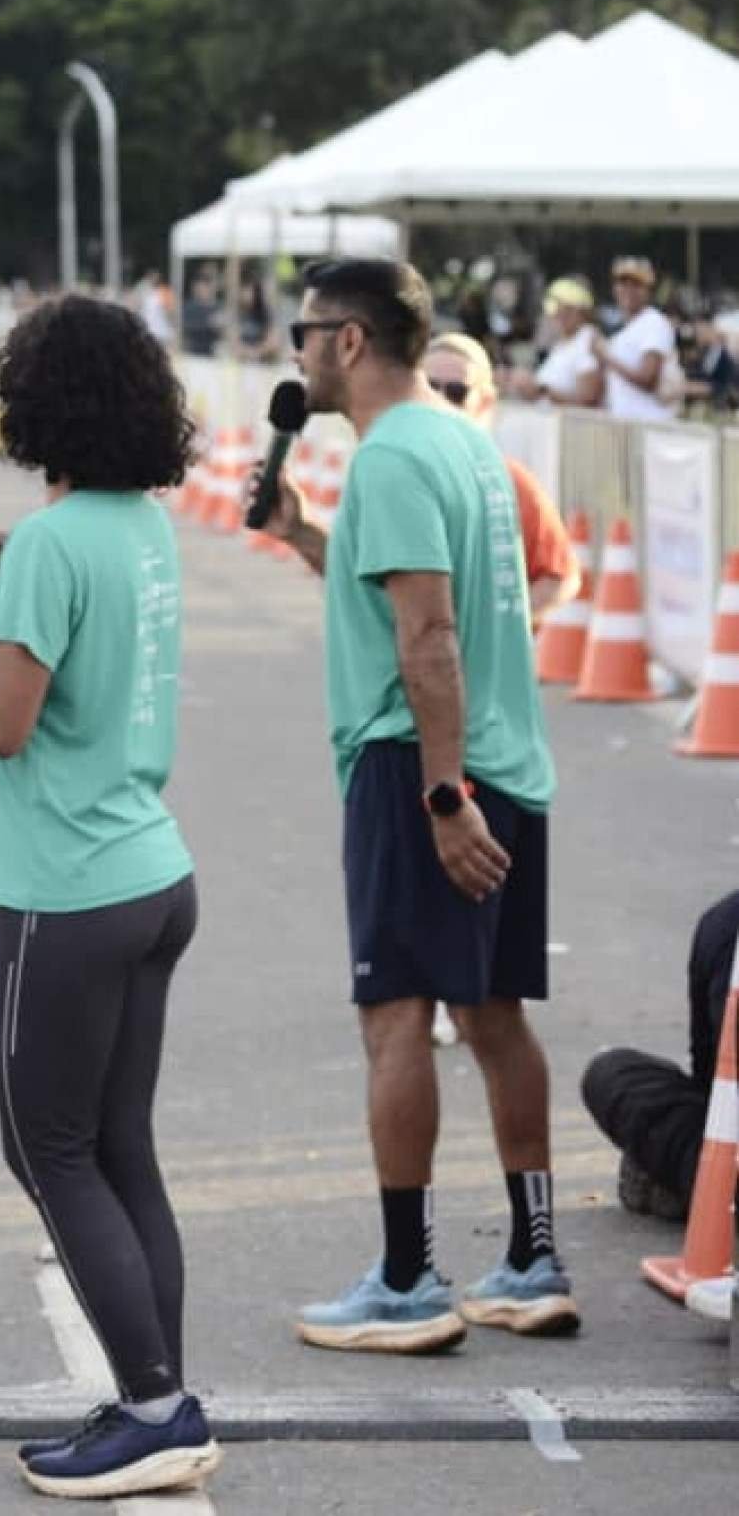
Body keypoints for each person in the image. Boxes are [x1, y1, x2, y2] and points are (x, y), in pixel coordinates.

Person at [253, 259, 569, 1353]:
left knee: (396, 1014)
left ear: (346, 340)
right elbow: (407, 590)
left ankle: (405, 1277)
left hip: (421, 767)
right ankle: (532, 1256)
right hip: (506, 761)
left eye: (300, 333)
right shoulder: (461, 441)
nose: (290, 354)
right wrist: (300, 533)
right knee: (490, 1012)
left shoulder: (389, 455)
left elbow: (427, 638)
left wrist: (442, 794)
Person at [0, 297, 215, 1498]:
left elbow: (2, 719)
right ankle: (162, 1389)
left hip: (66, 889)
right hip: (149, 867)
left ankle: (154, 1405)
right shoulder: (140, 525)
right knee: (117, 1145)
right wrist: (7, 589)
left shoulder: (52, 544)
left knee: (45, 1145)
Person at [582, 889, 739, 1225]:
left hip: (727, 1159)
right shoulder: (724, 924)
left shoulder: (724, 924)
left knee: (612, 1075)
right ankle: (700, 1182)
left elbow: (711, 1080)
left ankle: (697, 1184)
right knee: (615, 1073)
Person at [423, 335, 580, 622]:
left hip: (481, 665)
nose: (441, 401)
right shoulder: (387, 474)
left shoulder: (510, 482)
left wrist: (501, 626)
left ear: (484, 402)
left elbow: (560, 576)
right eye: (431, 388)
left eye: (457, 392)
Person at [593, 255, 681, 423]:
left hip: (651, 427)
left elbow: (648, 380)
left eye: (636, 284)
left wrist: (605, 356)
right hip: (627, 428)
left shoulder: (655, 322)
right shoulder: (624, 330)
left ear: (649, 290)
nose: (628, 289)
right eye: (622, 283)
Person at [516, 278, 603, 408]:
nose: (559, 314)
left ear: (582, 312)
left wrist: (542, 390)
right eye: (558, 309)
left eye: (567, 310)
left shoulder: (588, 339)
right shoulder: (562, 344)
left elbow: (588, 400)